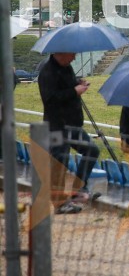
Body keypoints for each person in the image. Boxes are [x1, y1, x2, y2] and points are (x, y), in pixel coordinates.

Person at [38, 52, 101, 214]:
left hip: (72, 124)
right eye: (72, 54)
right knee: (60, 162)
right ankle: (59, 204)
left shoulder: (66, 66)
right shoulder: (47, 71)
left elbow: (66, 86)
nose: (74, 57)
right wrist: (75, 91)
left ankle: (78, 190)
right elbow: (50, 99)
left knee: (92, 150)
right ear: (61, 53)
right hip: (57, 126)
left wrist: (78, 83)